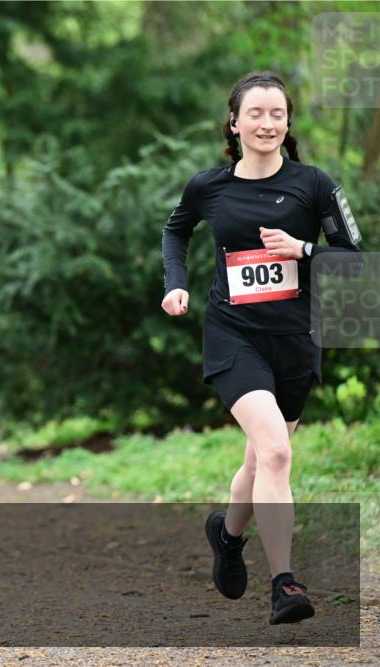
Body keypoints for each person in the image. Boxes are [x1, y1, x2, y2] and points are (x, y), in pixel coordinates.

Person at [161, 72, 363, 625]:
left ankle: (226, 537)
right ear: (234, 122)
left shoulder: (314, 185)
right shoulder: (209, 187)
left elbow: (355, 258)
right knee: (275, 451)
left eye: (277, 114)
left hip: (296, 339)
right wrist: (174, 283)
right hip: (233, 333)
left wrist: (301, 248)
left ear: (288, 122)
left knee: (259, 458)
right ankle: (285, 584)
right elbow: (175, 231)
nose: (267, 123)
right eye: (256, 113)